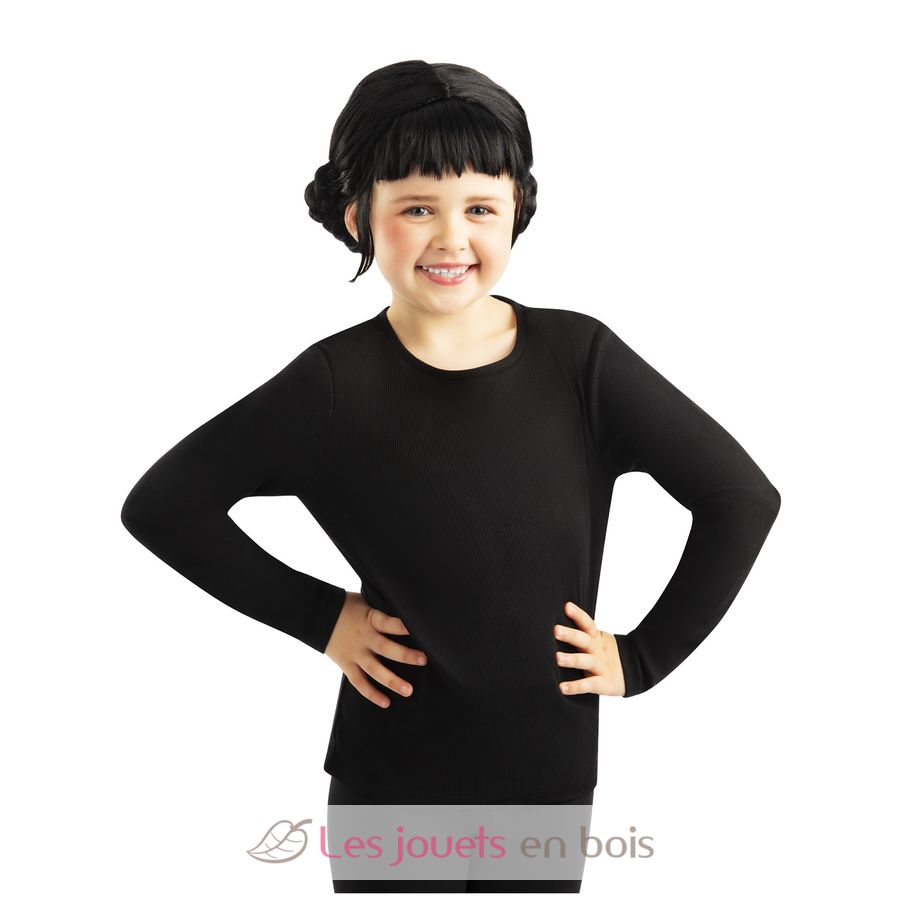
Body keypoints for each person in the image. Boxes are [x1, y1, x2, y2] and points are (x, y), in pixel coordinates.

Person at [120, 60, 781, 893]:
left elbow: (740, 499)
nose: (450, 238)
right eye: (416, 208)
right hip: (388, 778)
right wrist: (322, 618)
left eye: (479, 208)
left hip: (543, 781)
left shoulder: (580, 362)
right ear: (359, 215)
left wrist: (642, 658)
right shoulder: (333, 384)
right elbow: (165, 506)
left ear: (517, 212)